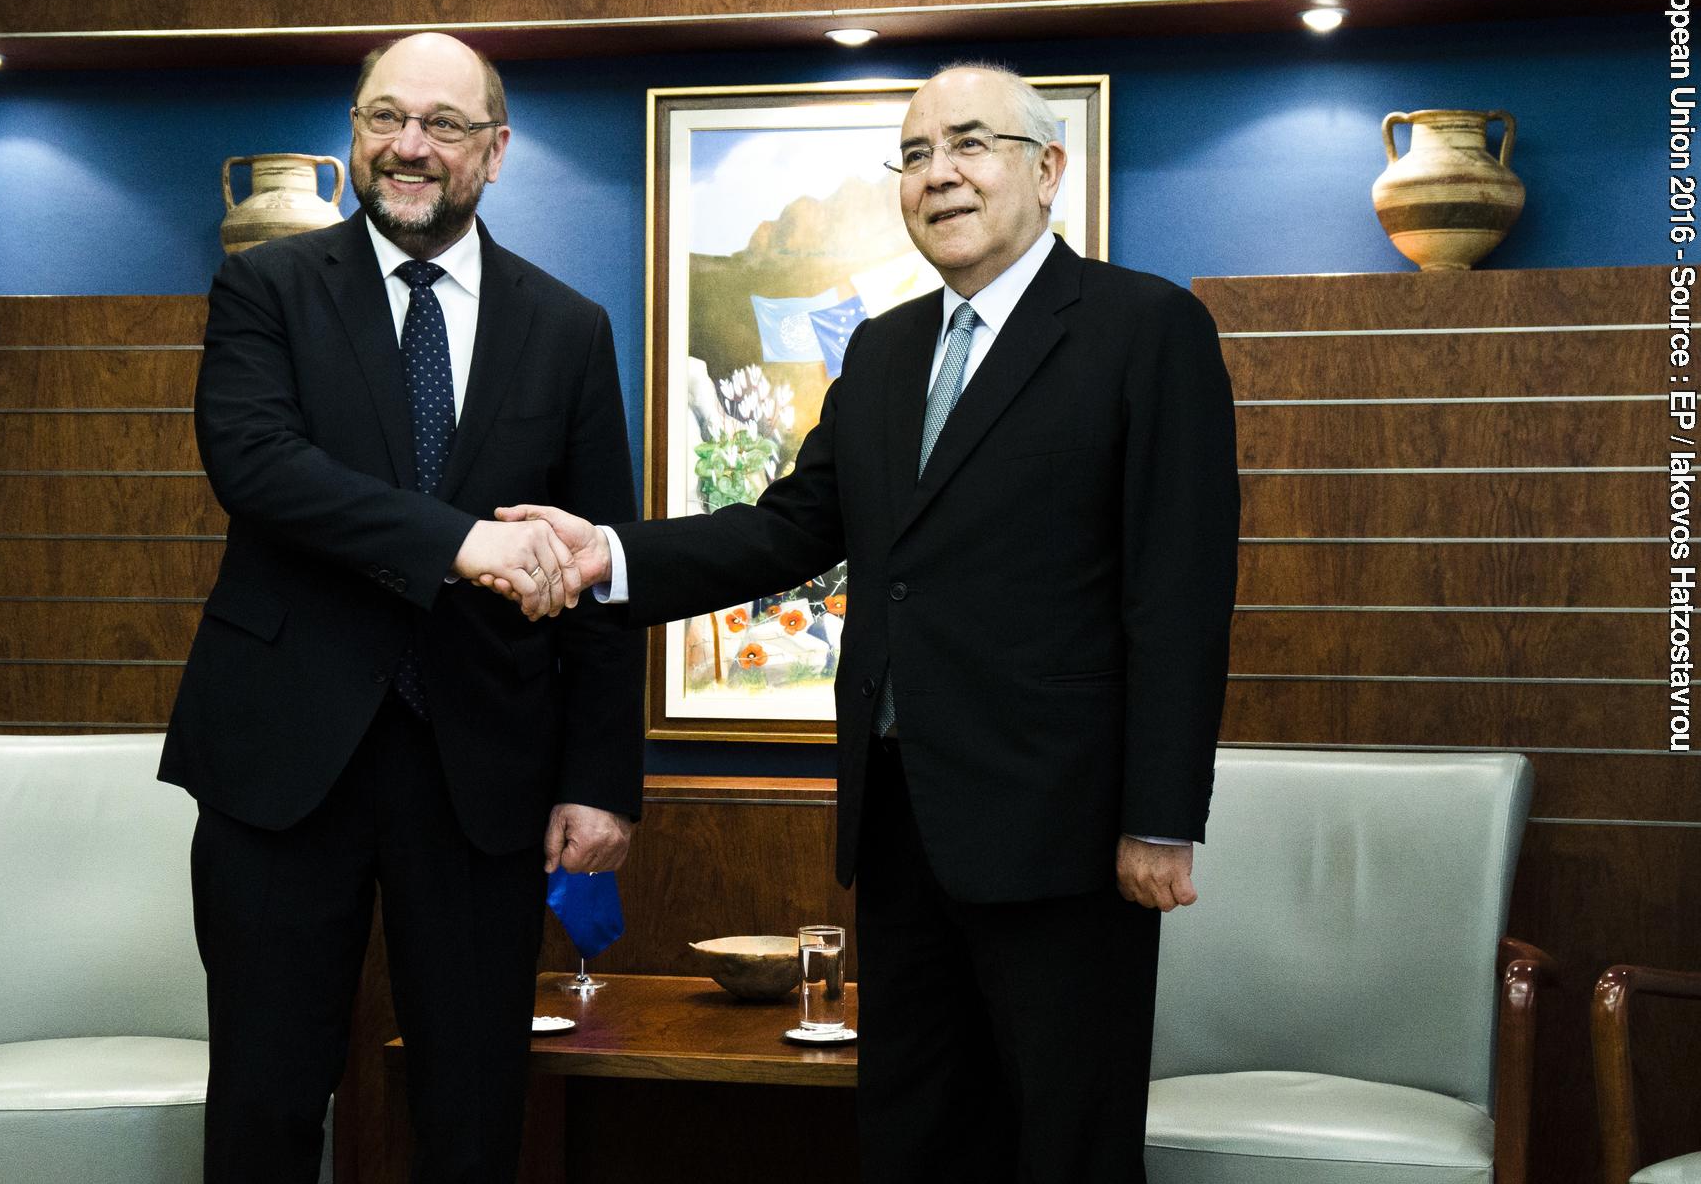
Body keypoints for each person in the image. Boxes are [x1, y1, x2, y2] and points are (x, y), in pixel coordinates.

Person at [495, 63, 1238, 1181]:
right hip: (900, 822)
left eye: (969, 144)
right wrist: (608, 554)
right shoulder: (885, 351)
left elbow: (1178, 590)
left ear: (1047, 170)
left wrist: (1160, 818)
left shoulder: (1145, 328)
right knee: (912, 1134)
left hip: (1064, 835)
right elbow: (785, 529)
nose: (937, 173)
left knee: (1063, 1145)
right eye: (914, 152)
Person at [159, 32, 644, 1184]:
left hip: (482, 769)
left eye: (442, 123)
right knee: (267, 1105)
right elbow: (259, 467)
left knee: (473, 1112)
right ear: (354, 132)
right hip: (282, 764)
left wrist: (599, 776)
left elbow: (595, 568)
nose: (408, 147)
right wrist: (464, 542)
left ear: (497, 148)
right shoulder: (266, 286)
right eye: (383, 119)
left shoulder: (568, 327)